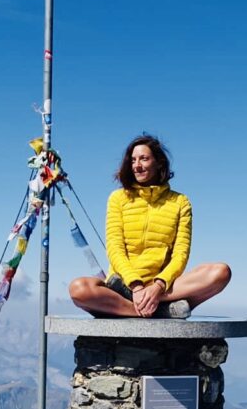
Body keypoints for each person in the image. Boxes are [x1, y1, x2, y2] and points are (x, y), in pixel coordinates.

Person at [69, 135, 231, 318]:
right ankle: (153, 311)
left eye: (144, 159)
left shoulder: (180, 202)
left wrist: (158, 287)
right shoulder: (118, 198)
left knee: (221, 272)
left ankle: (150, 303)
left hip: (164, 288)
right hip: (122, 286)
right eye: (133, 160)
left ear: (159, 163)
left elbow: (180, 254)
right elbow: (115, 249)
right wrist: (136, 286)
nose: (137, 165)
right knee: (78, 289)